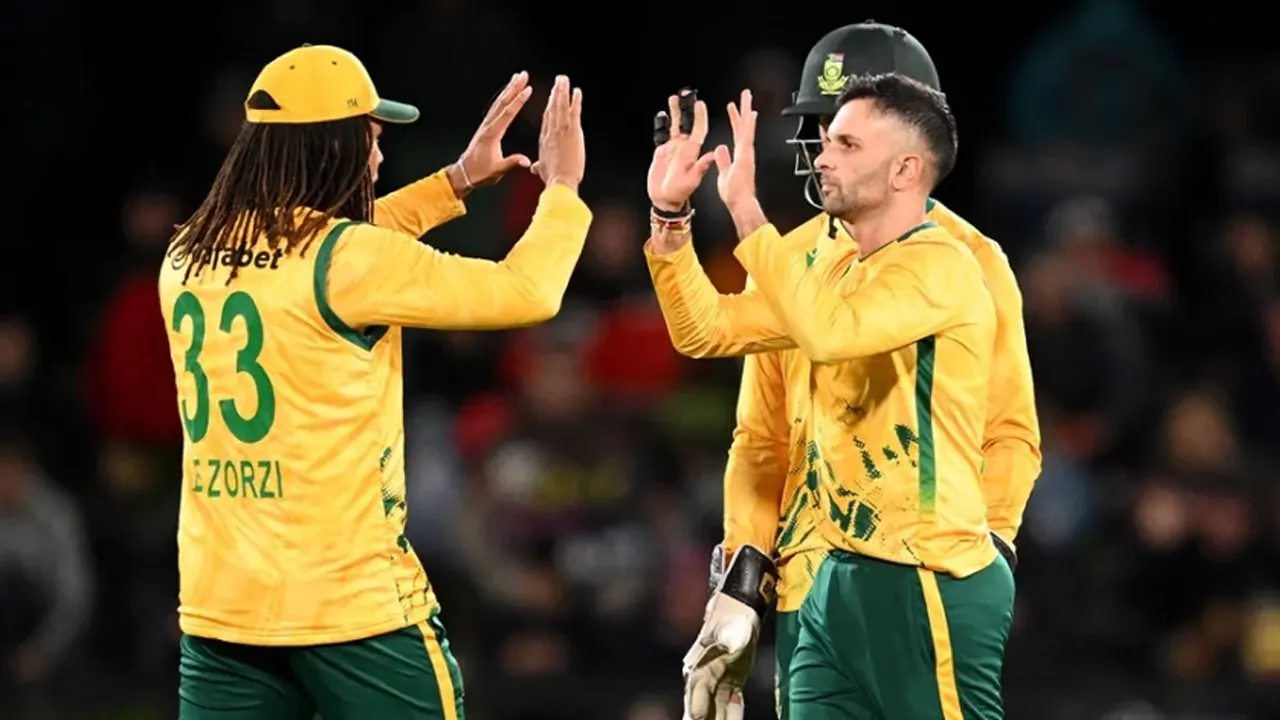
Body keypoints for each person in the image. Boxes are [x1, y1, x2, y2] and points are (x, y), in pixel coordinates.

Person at [160, 44, 588, 720]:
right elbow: (528, 289)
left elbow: (318, 252)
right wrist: (561, 189)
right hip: (351, 612)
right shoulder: (348, 262)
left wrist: (456, 182)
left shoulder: (188, 252)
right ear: (331, 147)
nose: (380, 158)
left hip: (224, 613)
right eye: (372, 139)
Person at [646, 23, 1039, 720]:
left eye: (844, 136)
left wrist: (987, 555)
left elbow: (1007, 432)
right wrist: (670, 217)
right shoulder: (795, 255)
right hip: (812, 582)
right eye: (819, 131)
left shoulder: (962, 261)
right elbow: (746, 409)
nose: (820, 150)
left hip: (923, 565)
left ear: (906, 157)